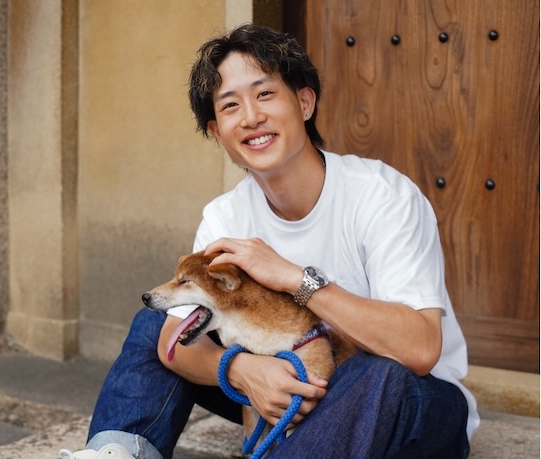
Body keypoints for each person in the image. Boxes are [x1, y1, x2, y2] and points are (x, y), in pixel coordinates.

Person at [63, 23, 478, 459]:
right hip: (291, 389)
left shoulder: (382, 197)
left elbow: (419, 349)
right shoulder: (226, 215)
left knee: (379, 375)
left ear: (304, 102)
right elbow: (169, 346)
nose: (250, 117)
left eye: (264, 94)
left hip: (413, 405)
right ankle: (116, 452)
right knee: (162, 326)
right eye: (230, 105)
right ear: (217, 132)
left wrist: (297, 279)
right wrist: (239, 370)